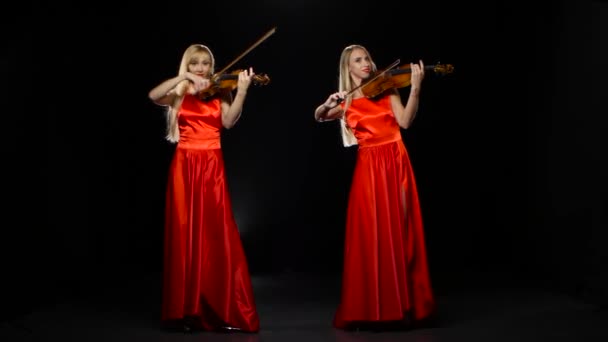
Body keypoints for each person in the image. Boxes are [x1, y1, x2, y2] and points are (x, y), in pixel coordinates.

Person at [314, 45, 436, 330]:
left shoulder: (388, 88)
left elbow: (405, 121)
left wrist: (415, 89)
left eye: (367, 57)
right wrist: (329, 101)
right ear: (349, 68)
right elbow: (319, 116)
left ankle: (404, 307)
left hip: (395, 160)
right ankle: (371, 309)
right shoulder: (344, 101)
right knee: (371, 236)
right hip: (368, 168)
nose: (366, 63)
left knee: (400, 231)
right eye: (358, 60)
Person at [148, 44, 259, 333]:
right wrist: (182, 76)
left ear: (212, 66)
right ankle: (184, 310)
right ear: (188, 65)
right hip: (184, 166)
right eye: (195, 63)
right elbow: (153, 96)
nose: (201, 68)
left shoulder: (220, 91)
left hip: (211, 165)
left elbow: (229, 121)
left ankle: (218, 308)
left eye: (205, 63)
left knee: (216, 234)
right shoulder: (181, 91)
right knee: (184, 234)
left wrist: (243, 90)